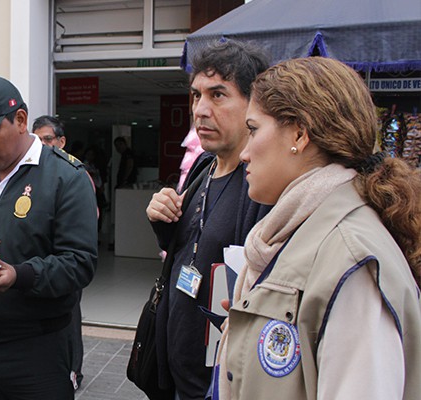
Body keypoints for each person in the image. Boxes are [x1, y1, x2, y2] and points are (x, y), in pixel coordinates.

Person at [215, 57, 421, 399]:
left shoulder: (351, 258)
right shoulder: (303, 228)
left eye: (253, 129)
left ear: (298, 132)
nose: (245, 153)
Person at [0, 76, 98, 400]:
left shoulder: (66, 177)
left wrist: (20, 275)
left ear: (21, 120)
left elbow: (80, 264)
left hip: (37, 350)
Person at [144, 40, 271, 400]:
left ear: (254, 102)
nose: (200, 109)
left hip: (224, 382)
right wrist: (163, 221)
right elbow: (188, 248)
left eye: (218, 95)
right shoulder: (203, 166)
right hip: (179, 371)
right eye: (196, 96)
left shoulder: (261, 183)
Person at [32, 114, 85, 389]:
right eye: (37, 139)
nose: (42, 145)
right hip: (36, 266)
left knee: (70, 317)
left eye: (48, 139)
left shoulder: (73, 173)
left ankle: (73, 370)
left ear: (61, 142)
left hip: (64, 262)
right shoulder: (31, 173)